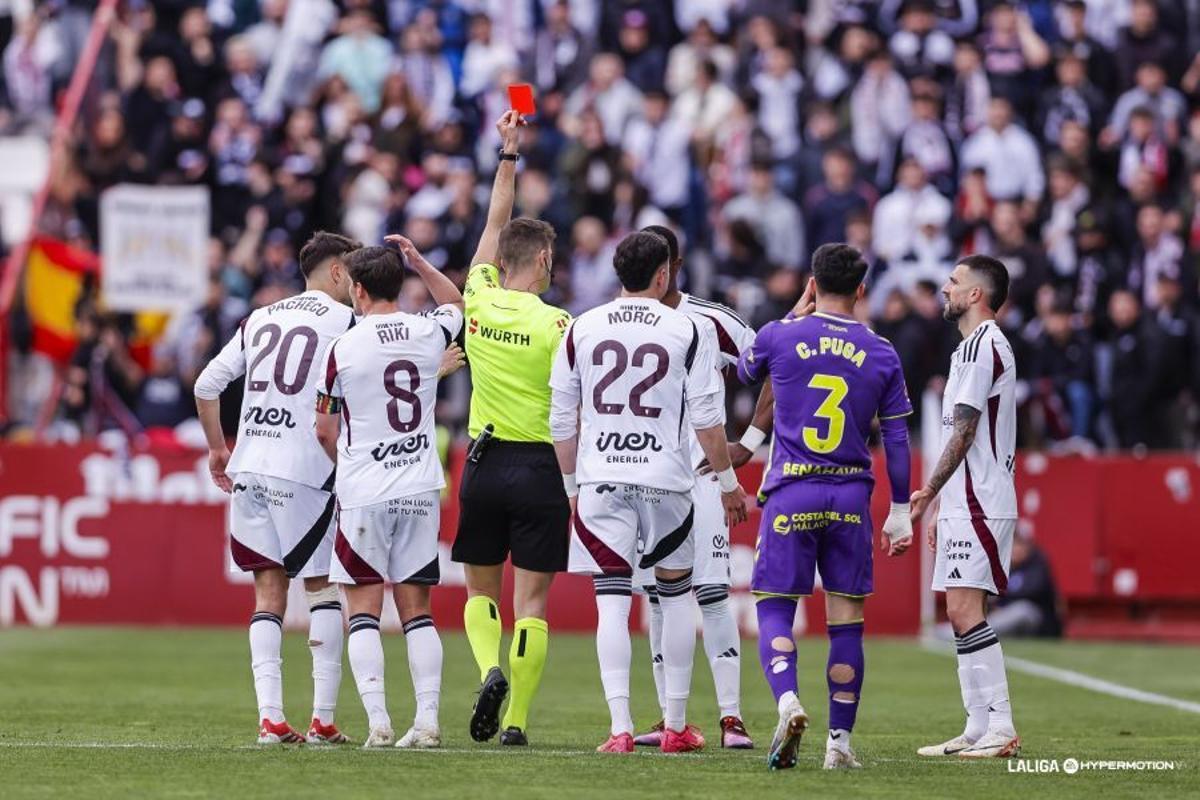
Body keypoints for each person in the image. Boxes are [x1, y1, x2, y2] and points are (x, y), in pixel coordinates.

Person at [549, 230, 748, 754]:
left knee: (612, 603)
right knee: (676, 593)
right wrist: (729, 483)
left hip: (601, 476)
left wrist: (571, 487)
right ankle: (677, 726)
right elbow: (708, 418)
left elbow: (560, 420)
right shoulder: (686, 327)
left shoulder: (582, 325)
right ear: (664, 274)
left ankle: (619, 728)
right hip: (665, 477)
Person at [736, 243, 915, 771]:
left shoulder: (780, 334)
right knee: (847, 623)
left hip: (792, 491)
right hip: (850, 497)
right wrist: (900, 509)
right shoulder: (882, 352)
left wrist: (795, 310)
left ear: (812, 283)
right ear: (862, 290)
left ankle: (788, 702)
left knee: (773, 607)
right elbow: (899, 439)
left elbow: (746, 372)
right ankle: (839, 743)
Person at [193, 231, 360, 746]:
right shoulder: (348, 322)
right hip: (304, 468)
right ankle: (323, 719)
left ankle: (270, 718)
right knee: (322, 590)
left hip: (250, 464)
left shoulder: (261, 317)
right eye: (352, 273)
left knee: (268, 592)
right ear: (336, 272)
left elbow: (205, 384)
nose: (357, 285)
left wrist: (219, 449)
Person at [313, 239, 465, 749]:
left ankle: (378, 722)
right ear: (400, 285)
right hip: (419, 487)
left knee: (362, 612)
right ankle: (426, 722)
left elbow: (324, 429)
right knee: (417, 611)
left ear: (357, 289)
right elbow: (458, 305)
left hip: (364, 491)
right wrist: (422, 260)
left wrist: (349, 468)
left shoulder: (343, 348)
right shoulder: (427, 331)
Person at [452, 111, 573, 748]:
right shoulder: (559, 326)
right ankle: (518, 721)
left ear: (501, 263)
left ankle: (488, 668)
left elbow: (494, 223)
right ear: (546, 260)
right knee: (533, 605)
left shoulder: (477, 293)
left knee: (480, 588)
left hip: (483, 460)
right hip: (540, 467)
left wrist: (508, 153)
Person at [629, 225, 756, 750]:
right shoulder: (626, 321)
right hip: (647, 474)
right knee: (658, 599)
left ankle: (732, 719)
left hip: (703, 478)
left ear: (672, 266)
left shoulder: (715, 320)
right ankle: (669, 718)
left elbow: (771, 367)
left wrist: (749, 440)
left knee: (711, 594)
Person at [910, 254, 1022, 759]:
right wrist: (941, 505)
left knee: (965, 608)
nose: (945, 288)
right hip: (964, 497)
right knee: (958, 612)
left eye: (954, 282)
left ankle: (1000, 725)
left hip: (981, 496)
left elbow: (965, 430)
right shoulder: (964, 351)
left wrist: (928, 492)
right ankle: (978, 727)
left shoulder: (983, 346)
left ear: (976, 294)